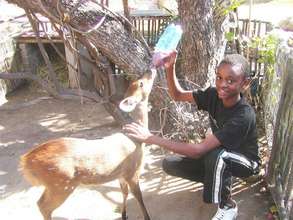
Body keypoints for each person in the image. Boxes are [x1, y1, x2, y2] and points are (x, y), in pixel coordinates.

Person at [123, 51, 260, 220]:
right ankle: (216, 180)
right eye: (219, 77)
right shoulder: (213, 95)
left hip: (246, 162)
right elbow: (177, 95)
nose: (222, 84)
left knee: (218, 155)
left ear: (245, 84)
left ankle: (227, 205)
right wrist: (170, 66)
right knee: (170, 164)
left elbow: (198, 150)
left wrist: (150, 137)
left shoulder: (243, 115)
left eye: (230, 81)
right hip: (221, 153)